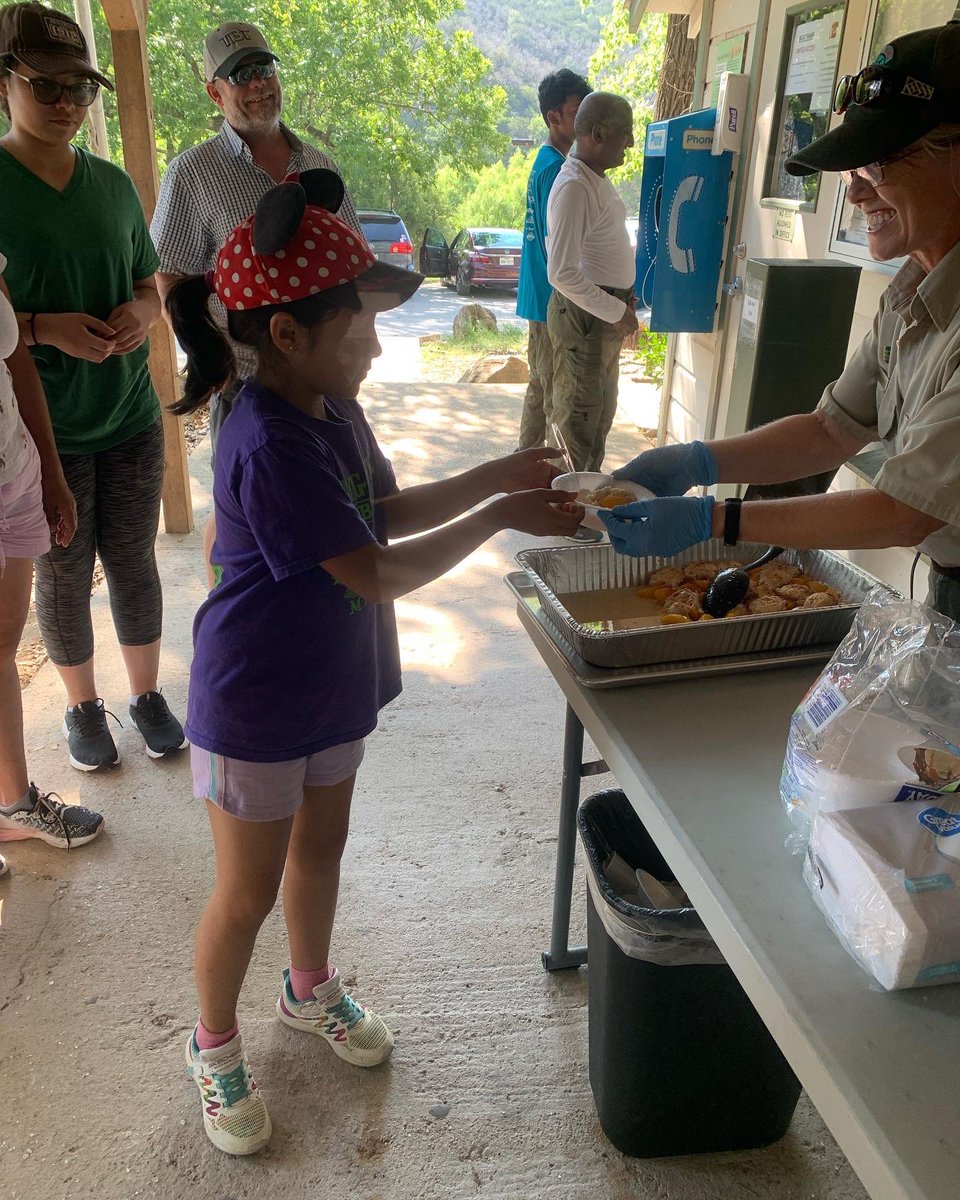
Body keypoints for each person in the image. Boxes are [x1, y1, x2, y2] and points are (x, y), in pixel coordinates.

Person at [164, 170, 583, 1155]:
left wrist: (496, 473)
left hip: (329, 686)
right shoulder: (264, 437)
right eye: (358, 329)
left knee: (321, 852)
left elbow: (380, 512)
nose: (376, 345)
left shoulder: (330, 406)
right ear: (289, 336)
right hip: (255, 700)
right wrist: (501, 515)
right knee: (246, 892)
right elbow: (375, 571)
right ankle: (212, 1042)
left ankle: (308, 991)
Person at [599, 23, 960, 624]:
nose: (857, 191)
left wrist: (717, 520)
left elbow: (905, 512)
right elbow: (829, 430)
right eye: (851, 170)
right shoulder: (911, 293)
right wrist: (700, 461)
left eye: (876, 163)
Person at [0, 3, 186, 771]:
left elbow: (151, 286)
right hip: (44, 429)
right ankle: (83, 707)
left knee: (134, 558)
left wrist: (142, 316)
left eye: (82, 91)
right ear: (6, 83)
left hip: (130, 414)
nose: (68, 107)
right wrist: (46, 329)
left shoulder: (112, 186)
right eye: (48, 89)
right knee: (65, 572)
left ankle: (145, 696)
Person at [151, 21, 364, 582]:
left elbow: (352, 266)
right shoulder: (192, 173)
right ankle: (233, 616)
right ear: (214, 92)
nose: (258, 84)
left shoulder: (319, 165)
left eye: (264, 68)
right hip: (246, 382)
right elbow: (169, 275)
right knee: (239, 522)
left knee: (332, 507)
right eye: (239, 75)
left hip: (321, 375)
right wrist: (210, 360)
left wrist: (354, 350)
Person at [0, 253, 104, 872]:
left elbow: (17, 364)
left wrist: (50, 473)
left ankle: (13, 805)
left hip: (13, 478)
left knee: (2, 645)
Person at [545, 91, 640, 477]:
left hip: (601, 315)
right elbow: (561, 272)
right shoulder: (574, 187)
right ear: (597, 134)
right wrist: (617, 311)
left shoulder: (594, 179)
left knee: (598, 414)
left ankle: (579, 500)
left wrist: (622, 305)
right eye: (625, 133)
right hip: (586, 318)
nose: (631, 143)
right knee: (577, 419)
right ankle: (562, 508)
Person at [516, 68, 591, 452]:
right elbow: (559, 249)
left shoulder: (546, 161)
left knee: (539, 383)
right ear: (553, 117)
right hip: (550, 300)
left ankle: (521, 464)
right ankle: (545, 479)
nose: (583, 121)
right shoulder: (556, 169)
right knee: (555, 396)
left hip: (538, 296)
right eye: (576, 111)